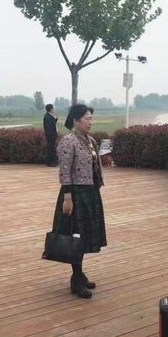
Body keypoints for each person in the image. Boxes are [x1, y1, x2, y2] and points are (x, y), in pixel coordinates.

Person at [53, 104, 107, 298]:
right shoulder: (69, 141)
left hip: (90, 192)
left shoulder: (90, 140)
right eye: (87, 118)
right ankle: (76, 279)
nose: (90, 122)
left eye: (91, 118)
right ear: (75, 120)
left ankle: (80, 274)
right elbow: (64, 171)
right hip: (75, 193)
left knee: (84, 236)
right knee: (75, 236)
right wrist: (67, 198)